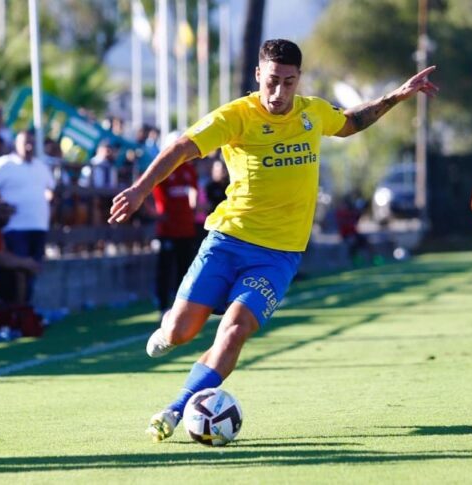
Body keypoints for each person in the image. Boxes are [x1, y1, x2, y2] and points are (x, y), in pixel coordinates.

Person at [108, 39, 438, 442]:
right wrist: (140, 189)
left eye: (288, 82)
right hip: (228, 241)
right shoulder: (236, 116)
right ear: (257, 75)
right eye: (272, 81)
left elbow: (351, 121)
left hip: (278, 256)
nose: (279, 92)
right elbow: (181, 148)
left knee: (233, 331)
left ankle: (175, 410)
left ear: (299, 79)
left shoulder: (312, 112)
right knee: (180, 332)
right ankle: (170, 329)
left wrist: (397, 96)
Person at [0, 129, 55, 303]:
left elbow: (51, 190)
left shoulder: (40, 166)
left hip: (38, 224)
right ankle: (17, 310)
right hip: (15, 227)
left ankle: (25, 309)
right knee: (19, 271)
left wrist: (48, 202)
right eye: (25, 143)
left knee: (33, 270)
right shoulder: (4, 164)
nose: (29, 147)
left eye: (31, 143)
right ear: (16, 145)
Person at [151, 157, 198, 316]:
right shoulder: (164, 168)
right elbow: (144, 188)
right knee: (165, 270)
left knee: (185, 270)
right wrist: (154, 212)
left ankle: (180, 308)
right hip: (167, 230)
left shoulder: (188, 169)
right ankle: (162, 306)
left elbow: (193, 189)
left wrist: (193, 207)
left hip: (186, 229)